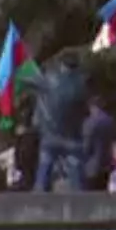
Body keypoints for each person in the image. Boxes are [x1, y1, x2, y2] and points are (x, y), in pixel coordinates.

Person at [29, 51, 89, 192]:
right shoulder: (81, 84)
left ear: (61, 64)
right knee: (75, 168)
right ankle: (80, 200)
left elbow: (27, 80)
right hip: (73, 136)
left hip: (51, 135)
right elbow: (85, 110)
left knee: (45, 165)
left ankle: (38, 198)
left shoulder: (50, 79)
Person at [81, 96, 114, 191]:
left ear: (93, 107)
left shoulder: (89, 122)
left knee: (90, 196)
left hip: (91, 166)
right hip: (106, 164)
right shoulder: (109, 121)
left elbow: (86, 146)